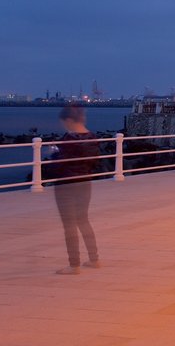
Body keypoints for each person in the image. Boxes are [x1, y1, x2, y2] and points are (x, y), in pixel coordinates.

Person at [48, 105, 101, 275]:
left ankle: (74, 265)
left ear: (69, 120)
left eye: (64, 122)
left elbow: (60, 165)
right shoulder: (92, 138)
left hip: (66, 185)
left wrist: (54, 154)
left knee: (69, 225)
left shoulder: (68, 140)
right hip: (85, 183)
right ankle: (94, 259)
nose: (64, 126)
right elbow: (94, 163)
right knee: (83, 220)